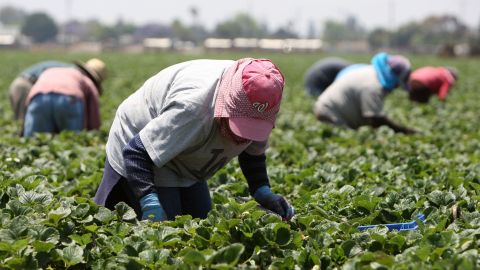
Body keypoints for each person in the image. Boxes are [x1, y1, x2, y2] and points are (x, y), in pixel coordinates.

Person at [94, 58, 294, 222]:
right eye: (240, 125)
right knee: (167, 226)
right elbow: (136, 152)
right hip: (142, 143)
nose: (243, 138)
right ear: (227, 104)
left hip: (187, 156)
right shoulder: (193, 109)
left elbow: (253, 151)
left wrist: (262, 190)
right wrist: (149, 200)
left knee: (199, 220)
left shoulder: (263, 102)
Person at [313, 52, 416, 134]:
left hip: (325, 109)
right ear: (393, 78)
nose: (395, 87)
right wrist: (403, 131)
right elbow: (374, 119)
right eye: (397, 84)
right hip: (330, 115)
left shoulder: (370, 71)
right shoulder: (374, 86)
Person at [23, 58, 107, 137]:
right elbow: (93, 111)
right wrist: (94, 131)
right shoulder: (86, 80)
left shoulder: (53, 70)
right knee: (72, 138)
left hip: (39, 97)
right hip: (68, 99)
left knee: (36, 137)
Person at [9, 60, 74, 121]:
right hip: (25, 85)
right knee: (25, 120)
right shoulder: (69, 72)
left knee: (25, 118)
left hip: (20, 83)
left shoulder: (63, 67)